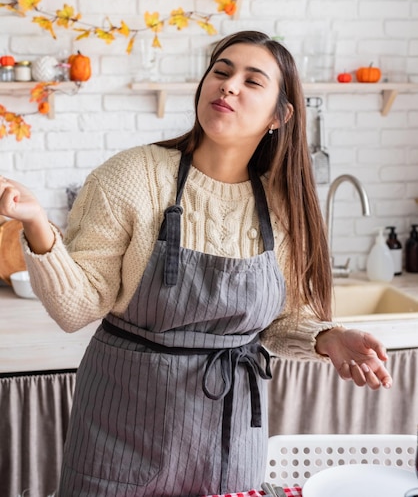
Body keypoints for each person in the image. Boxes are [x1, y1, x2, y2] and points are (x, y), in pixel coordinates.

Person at [0, 31, 392, 497]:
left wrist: (328, 337)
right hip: (122, 423)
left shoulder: (284, 206)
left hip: (230, 436)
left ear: (279, 116)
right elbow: (76, 308)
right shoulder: (133, 175)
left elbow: (282, 322)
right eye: (221, 71)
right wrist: (37, 224)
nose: (228, 86)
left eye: (252, 81)